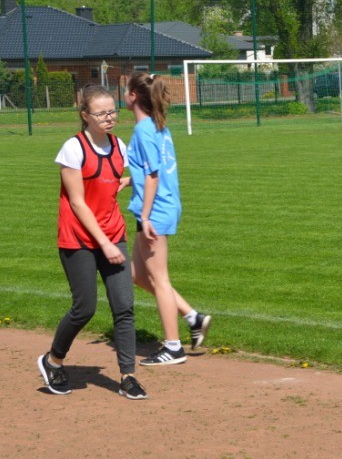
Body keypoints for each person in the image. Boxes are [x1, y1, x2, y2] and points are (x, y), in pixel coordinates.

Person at [38, 84, 148, 400]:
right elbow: (77, 202)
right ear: (85, 115)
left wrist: (130, 181)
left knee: (124, 307)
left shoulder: (118, 145)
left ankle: (128, 376)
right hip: (79, 239)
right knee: (84, 308)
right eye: (101, 113)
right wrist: (104, 244)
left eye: (113, 111)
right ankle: (53, 361)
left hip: (113, 233)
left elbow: (114, 179)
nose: (109, 117)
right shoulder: (73, 149)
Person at [125, 71, 212, 366]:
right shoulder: (157, 126)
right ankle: (192, 316)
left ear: (133, 96)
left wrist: (145, 216)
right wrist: (129, 181)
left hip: (154, 211)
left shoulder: (144, 130)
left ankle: (173, 347)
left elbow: (153, 176)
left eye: (125, 91)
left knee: (159, 279)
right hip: (160, 205)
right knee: (137, 275)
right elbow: (151, 171)